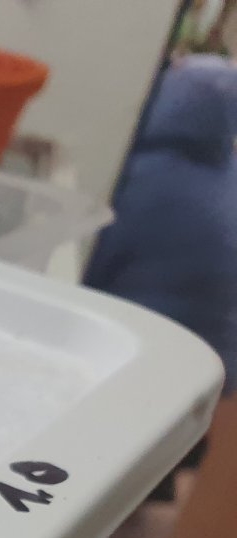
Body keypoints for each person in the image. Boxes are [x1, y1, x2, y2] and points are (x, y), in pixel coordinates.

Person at [85, 54, 237, 498]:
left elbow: (93, 267)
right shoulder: (225, 178)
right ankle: (160, 477)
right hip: (216, 361)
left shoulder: (139, 178)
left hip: (143, 349)